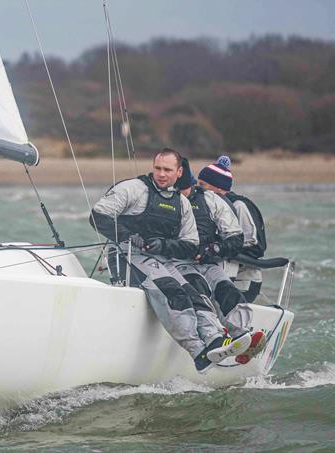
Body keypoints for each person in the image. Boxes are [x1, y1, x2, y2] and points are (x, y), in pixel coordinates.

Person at [89, 148, 251, 373]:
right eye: (157, 168)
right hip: (127, 256)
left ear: (179, 172)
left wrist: (163, 246)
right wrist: (126, 235)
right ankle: (197, 351)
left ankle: (214, 339)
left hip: (162, 259)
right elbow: (97, 216)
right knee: (173, 292)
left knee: (195, 294)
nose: (161, 174)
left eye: (167, 170)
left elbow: (190, 244)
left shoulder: (181, 203)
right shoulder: (133, 189)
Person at [173, 158, 266, 364]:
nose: (198, 188)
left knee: (219, 286)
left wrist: (216, 249)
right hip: (208, 266)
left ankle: (236, 335)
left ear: (217, 187)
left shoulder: (236, 205)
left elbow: (253, 245)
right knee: (206, 285)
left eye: (203, 185)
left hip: (242, 275)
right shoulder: (196, 202)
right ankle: (231, 338)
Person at [197, 156, 267, 303]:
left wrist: (219, 248)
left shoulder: (239, 206)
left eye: (202, 185)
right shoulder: (207, 205)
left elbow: (255, 248)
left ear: (220, 188)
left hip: (244, 280)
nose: (197, 188)